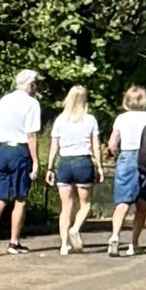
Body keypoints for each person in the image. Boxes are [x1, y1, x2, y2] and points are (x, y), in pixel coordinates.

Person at [0, 71, 44, 256]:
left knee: (0, 197)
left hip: (1, 149)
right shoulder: (32, 103)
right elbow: (31, 135)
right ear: (30, 85)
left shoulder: (3, 101)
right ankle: (14, 242)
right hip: (19, 150)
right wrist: (36, 161)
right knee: (20, 198)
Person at [105, 87, 146, 256]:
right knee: (142, 203)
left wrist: (116, 154)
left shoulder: (121, 118)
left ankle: (115, 235)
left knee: (122, 201)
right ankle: (133, 243)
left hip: (126, 157)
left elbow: (112, 144)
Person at [46, 85, 100, 256]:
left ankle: (63, 245)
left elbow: (54, 145)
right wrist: (99, 165)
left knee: (66, 206)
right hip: (83, 161)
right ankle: (75, 228)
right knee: (85, 204)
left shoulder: (60, 120)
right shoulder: (90, 120)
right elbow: (96, 145)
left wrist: (49, 167)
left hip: (64, 162)